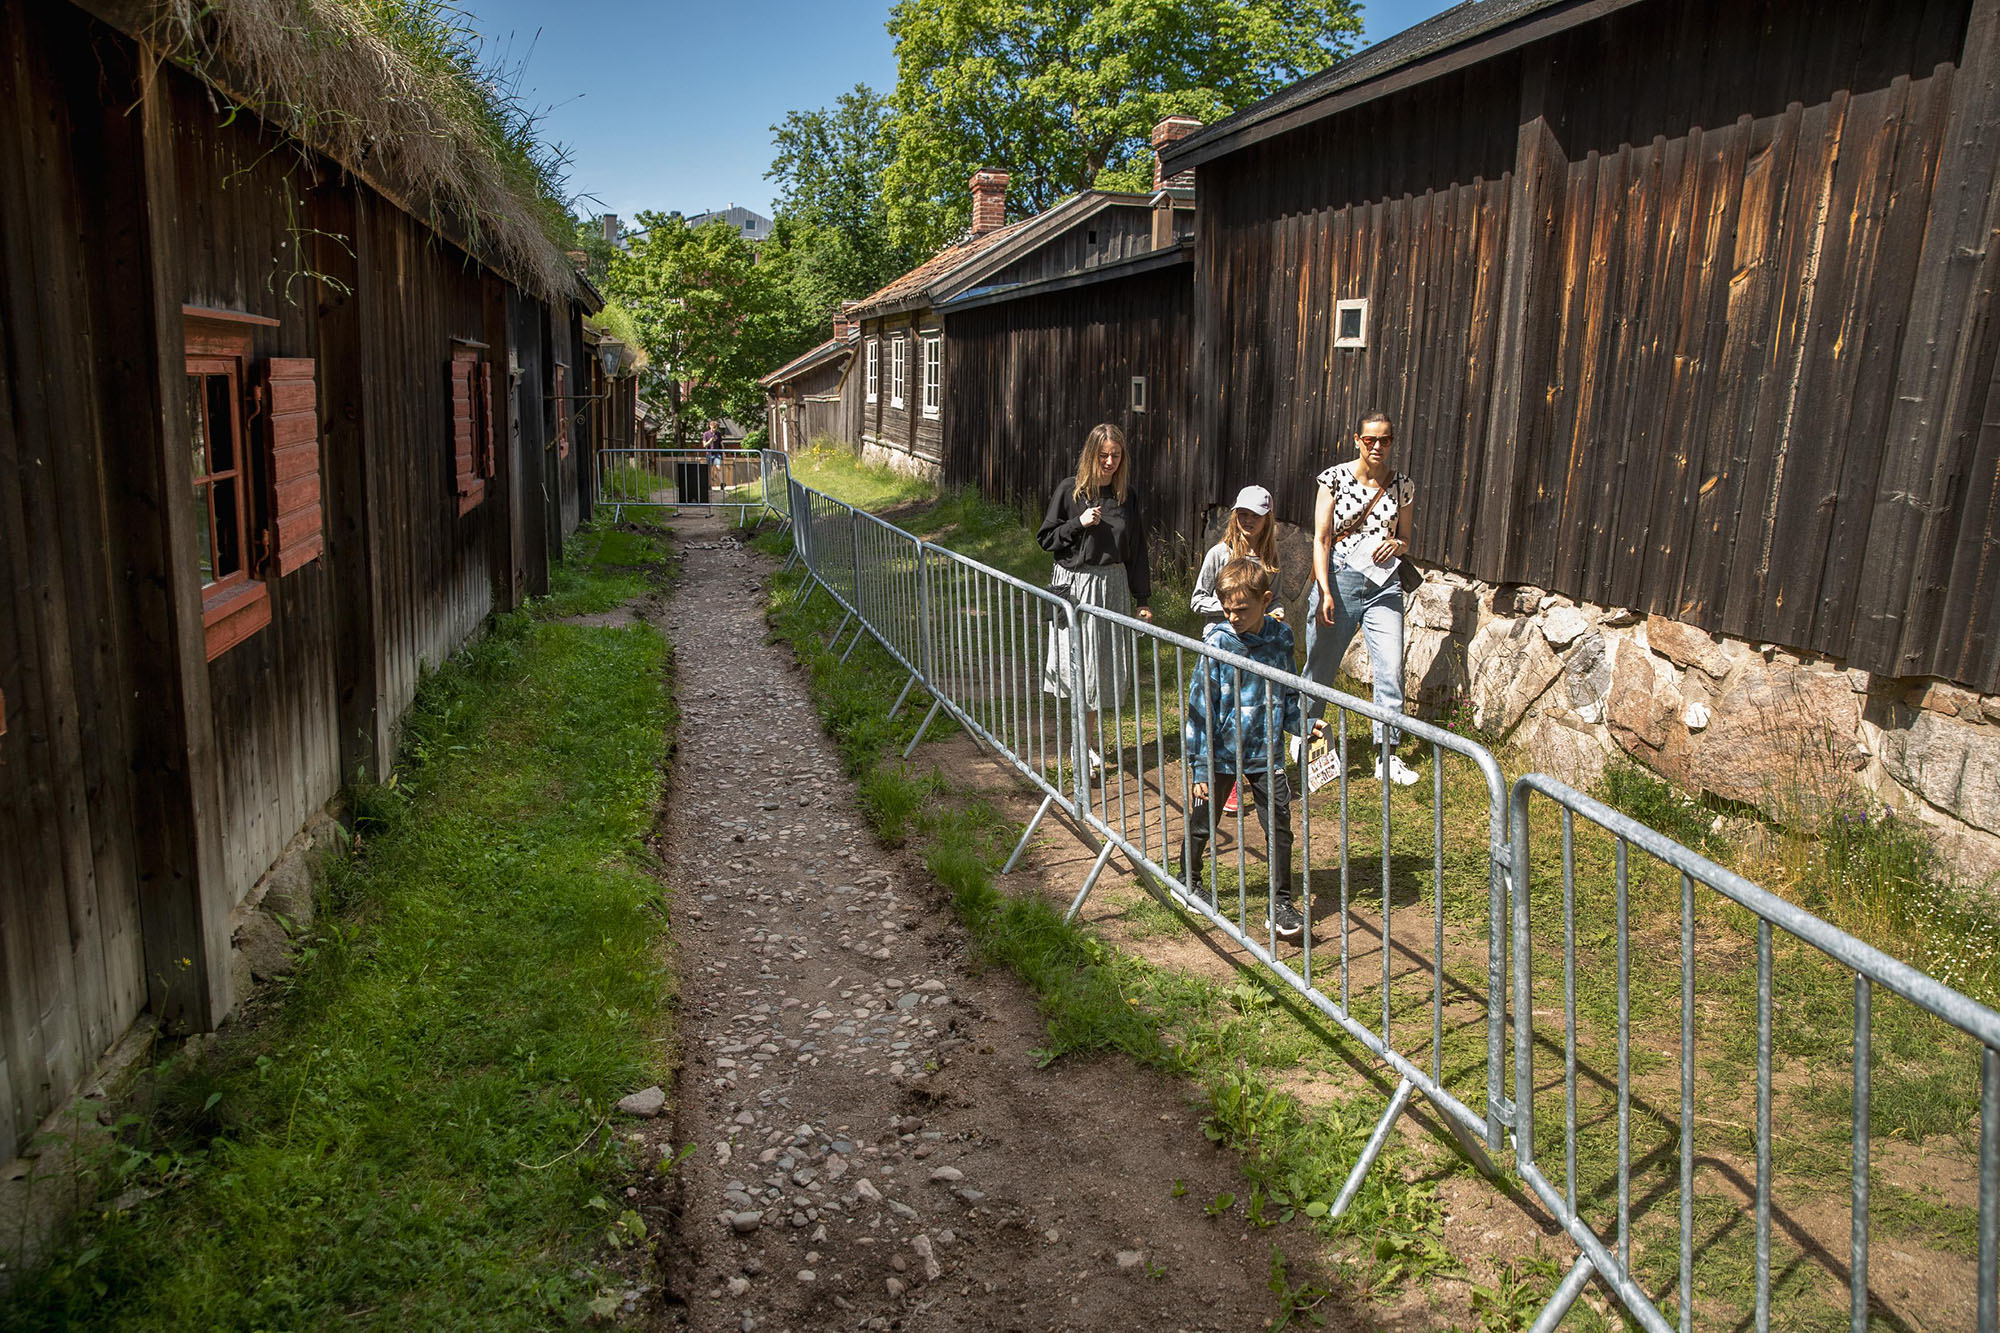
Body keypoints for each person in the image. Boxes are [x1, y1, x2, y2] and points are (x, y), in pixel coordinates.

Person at [1178, 557, 1327, 943]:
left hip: (1266, 752)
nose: (1233, 616)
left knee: (1279, 824)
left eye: (1242, 609)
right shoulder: (1218, 643)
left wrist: (1303, 725)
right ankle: (1189, 879)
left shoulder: (1281, 638)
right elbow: (1200, 707)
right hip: (1221, 751)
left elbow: (1289, 692)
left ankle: (1280, 902)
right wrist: (1199, 767)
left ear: (1265, 599)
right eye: (1227, 609)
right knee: (1202, 821)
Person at [1303, 409, 1419, 785]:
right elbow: (1321, 539)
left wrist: (1396, 544)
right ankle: (1304, 734)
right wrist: (1324, 591)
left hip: (1383, 585)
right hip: (1340, 577)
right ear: (1357, 439)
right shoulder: (1334, 479)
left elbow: (1405, 538)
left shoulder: (1402, 486)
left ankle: (1387, 754)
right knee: (1321, 664)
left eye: (1385, 440)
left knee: (1390, 667)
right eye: (1370, 439)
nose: (1377, 447)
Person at [1037, 423, 1153, 774]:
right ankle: (1080, 744)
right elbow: (1046, 539)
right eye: (1103, 455)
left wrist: (1142, 598)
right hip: (1071, 584)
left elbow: (1136, 550)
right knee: (1073, 668)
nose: (1110, 462)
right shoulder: (1069, 491)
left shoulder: (1126, 497)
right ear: (1091, 454)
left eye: (1116, 455)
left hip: (1110, 586)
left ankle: (1083, 743)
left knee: (1097, 670)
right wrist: (1079, 524)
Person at [1190, 484, 1286, 813]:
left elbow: (1275, 598)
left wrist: (1270, 614)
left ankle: (1254, 773)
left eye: (1254, 515)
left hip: (1258, 646)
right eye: (1241, 514)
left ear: (1266, 519)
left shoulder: (1270, 558)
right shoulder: (1220, 553)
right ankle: (1221, 779)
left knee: (1254, 712)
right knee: (1221, 715)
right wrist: (1232, 609)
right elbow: (1197, 599)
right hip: (1223, 646)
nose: (1247, 520)